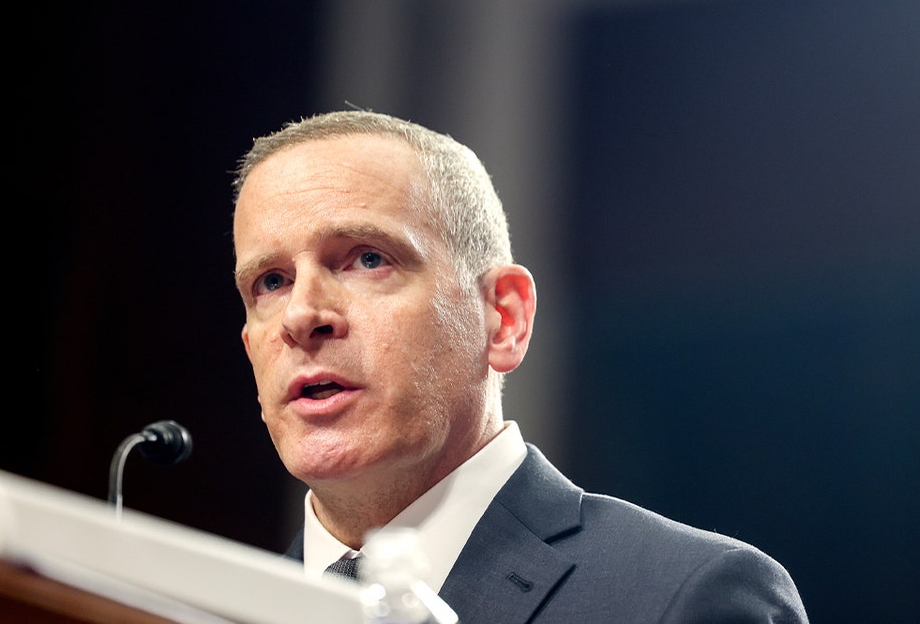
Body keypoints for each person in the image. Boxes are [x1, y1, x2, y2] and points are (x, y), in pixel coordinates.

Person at [230, 109, 808, 623]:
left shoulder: (687, 599)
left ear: (502, 318)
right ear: (252, 347)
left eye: (367, 258)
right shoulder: (196, 613)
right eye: (271, 282)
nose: (302, 315)